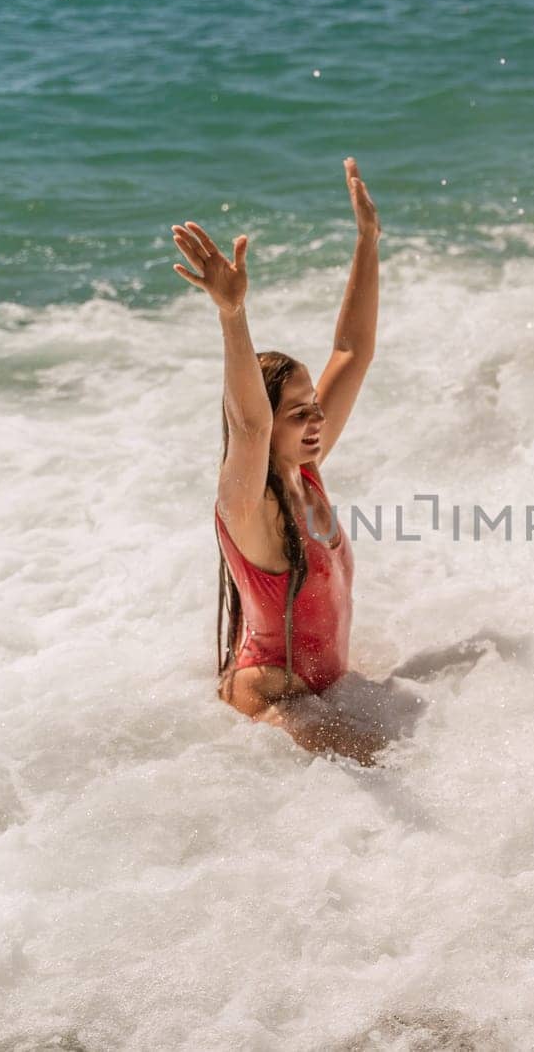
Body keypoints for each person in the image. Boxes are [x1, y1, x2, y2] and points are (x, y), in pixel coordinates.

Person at [172, 158, 384, 764]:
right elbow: (247, 421)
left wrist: (368, 242)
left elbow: (353, 349)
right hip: (274, 698)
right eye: (298, 413)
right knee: (396, 768)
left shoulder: (303, 470)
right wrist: (231, 314)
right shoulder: (249, 501)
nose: (316, 420)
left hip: (321, 693)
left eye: (314, 406)